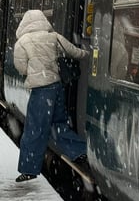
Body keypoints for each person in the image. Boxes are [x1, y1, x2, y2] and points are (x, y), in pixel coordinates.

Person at [13, 10, 89, 182]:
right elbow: (75, 52)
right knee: (59, 123)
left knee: (34, 129)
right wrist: (91, 55)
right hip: (56, 87)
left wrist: (33, 72)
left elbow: (21, 67)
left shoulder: (22, 42)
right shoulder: (53, 36)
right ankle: (79, 151)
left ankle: (29, 169)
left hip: (40, 90)